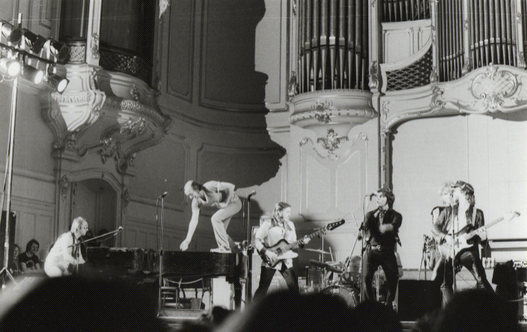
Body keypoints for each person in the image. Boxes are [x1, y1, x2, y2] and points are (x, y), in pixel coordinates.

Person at [431, 180, 493, 307]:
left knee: (481, 280)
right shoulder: (449, 211)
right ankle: (450, 314)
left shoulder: (477, 213)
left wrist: (483, 237)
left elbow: (483, 239)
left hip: (468, 251)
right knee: (444, 282)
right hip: (450, 250)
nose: (453, 192)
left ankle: (496, 309)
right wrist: (446, 237)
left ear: (465, 193)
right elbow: (435, 227)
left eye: (456, 190)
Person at [253, 202, 310, 300]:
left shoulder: (290, 225)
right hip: (271, 259)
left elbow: (293, 244)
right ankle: (253, 313)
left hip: (286, 260)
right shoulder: (268, 224)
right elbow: (256, 240)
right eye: (287, 212)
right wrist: (267, 252)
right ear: (279, 212)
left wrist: (303, 242)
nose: (289, 214)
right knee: (262, 290)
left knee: (294, 289)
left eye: (289, 212)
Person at [362, 188, 402, 308]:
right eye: (377, 197)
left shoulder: (396, 215)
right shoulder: (371, 214)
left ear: (387, 198)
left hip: (387, 251)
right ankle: (370, 306)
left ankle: (389, 305)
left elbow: (392, 227)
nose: (377, 199)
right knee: (366, 278)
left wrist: (380, 228)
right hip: (372, 250)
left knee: (392, 278)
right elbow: (365, 228)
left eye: (380, 196)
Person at [180, 180, 242, 253]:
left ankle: (225, 248)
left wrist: (226, 202)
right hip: (226, 207)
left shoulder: (209, 186)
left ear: (196, 189)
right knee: (222, 232)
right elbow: (194, 220)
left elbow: (231, 186)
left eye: (191, 194)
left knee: (215, 219)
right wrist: (188, 240)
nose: (190, 197)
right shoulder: (196, 202)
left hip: (235, 203)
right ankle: (236, 249)